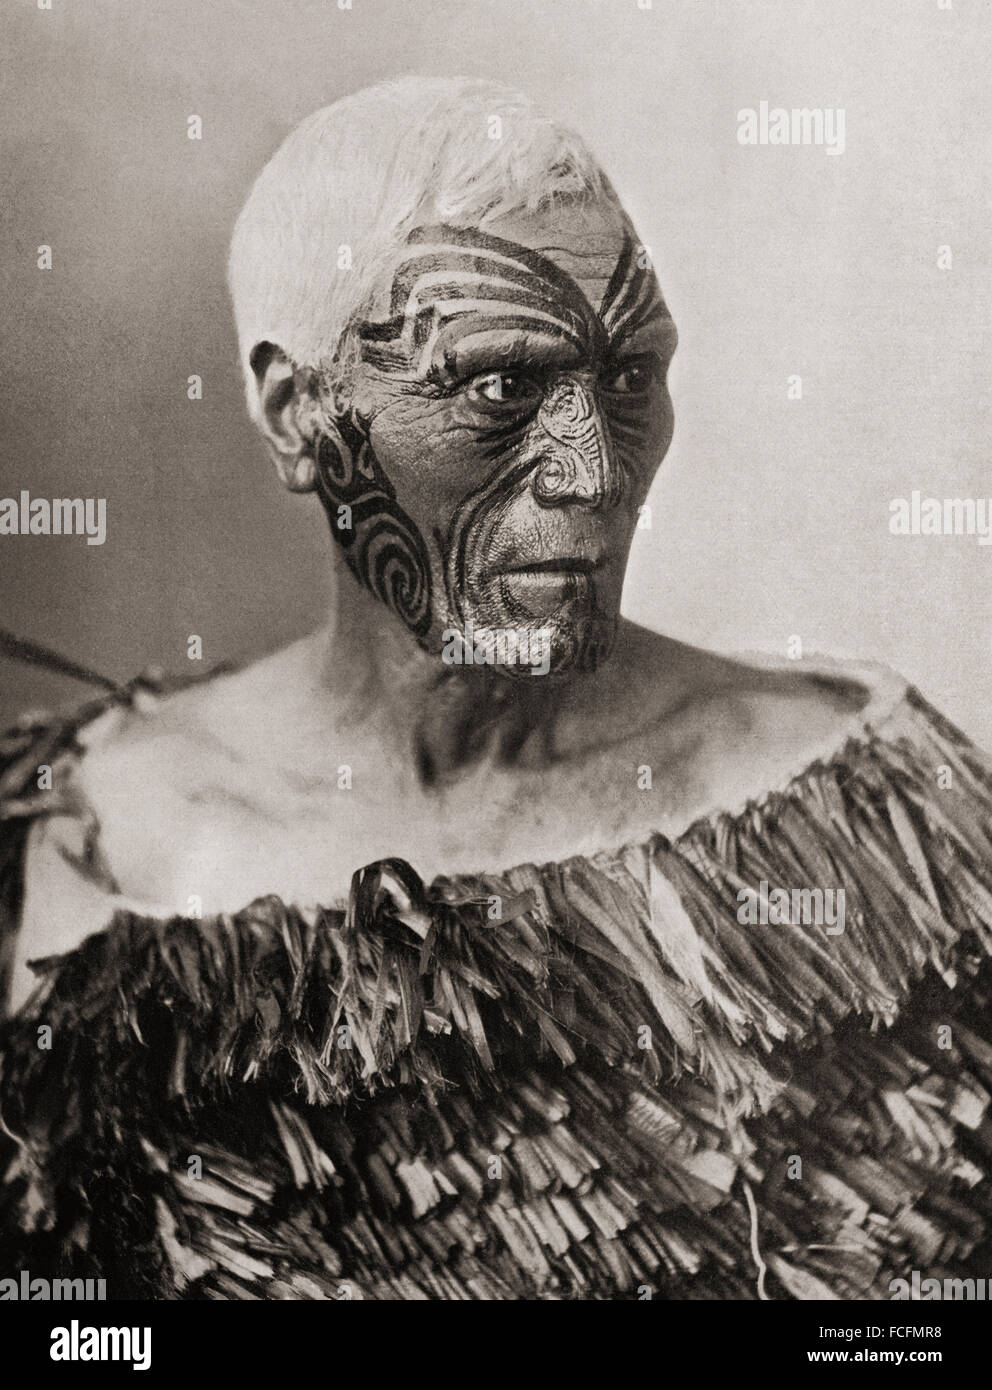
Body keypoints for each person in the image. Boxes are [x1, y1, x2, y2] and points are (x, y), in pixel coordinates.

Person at [2, 76, 991, 1301]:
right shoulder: (94, 841)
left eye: (628, 379)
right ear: (295, 413)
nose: (591, 473)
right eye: (496, 389)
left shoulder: (877, 832)